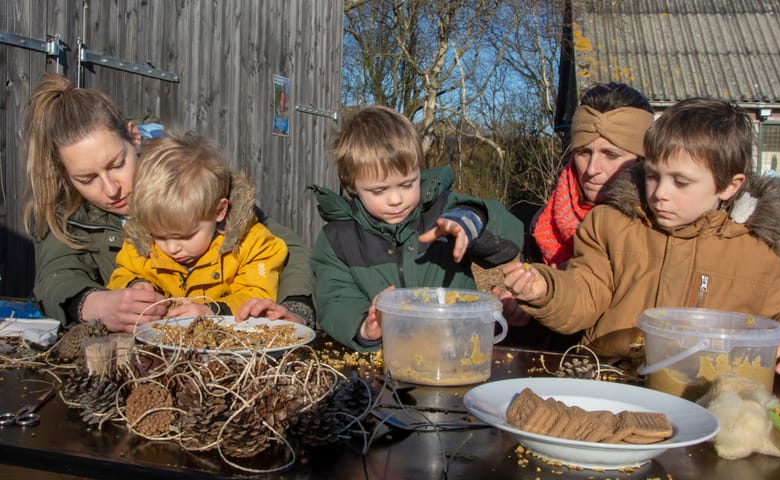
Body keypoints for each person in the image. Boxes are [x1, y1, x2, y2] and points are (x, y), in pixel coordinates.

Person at [502, 97, 780, 379]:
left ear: (729, 186)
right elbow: (585, 293)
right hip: (610, 378)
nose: (660, 193)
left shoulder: (762, 249)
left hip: (709, 392)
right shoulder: (611, 223)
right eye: (653, 176)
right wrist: (547, 289)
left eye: (680, 182)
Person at [23, 72, 315, 332]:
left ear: (134, 137)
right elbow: (55, 276)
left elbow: (282, 248)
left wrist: (295, 310)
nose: (111, 189)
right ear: (67, 175)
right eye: (87, 180)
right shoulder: (62, 212)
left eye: (117, 164)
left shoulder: (188, 180)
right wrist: (96, 304)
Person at [309, 105, 523, 352]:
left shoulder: (444, 211)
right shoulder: (337, 238)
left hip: (457, 350)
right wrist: (364, 328)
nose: (396, 199)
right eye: (379, 190)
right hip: (385, 361)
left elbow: (509, 241)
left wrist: (471, 222)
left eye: (407, 184)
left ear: (418, 171)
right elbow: (335, 300)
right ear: (352, 186)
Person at [495, 83, 655, 346]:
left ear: (642, 160)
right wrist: (525, 309)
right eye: (583, 152)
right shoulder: (543, 223)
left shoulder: (658, 227)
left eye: (610, 154)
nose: (592, 169)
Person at [106, 131, 288, 319]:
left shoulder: (251, 245)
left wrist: (213, 311)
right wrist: (134, 284)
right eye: (159, 236)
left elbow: (257, 294)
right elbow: (121, 274)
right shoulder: (141, 245)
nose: (172, 247)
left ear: (219, 211)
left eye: (184, 236)